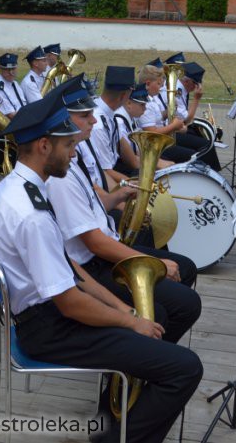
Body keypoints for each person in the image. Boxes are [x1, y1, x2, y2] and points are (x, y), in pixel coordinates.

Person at [0, 95, 203, 443]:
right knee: (184, 368)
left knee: (158, 326)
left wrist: (123, 308)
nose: (74, 152)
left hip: (50, 315)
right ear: (43, 146)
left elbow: (69, 266)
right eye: (68, 145)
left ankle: (118, 422)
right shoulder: (31, 214)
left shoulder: (16, 188)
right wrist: (132, 322)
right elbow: (69, 302)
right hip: (50, 327)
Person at [45, 77, 200, 339]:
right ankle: (149, 359)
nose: (93, 120)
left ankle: (153, 354)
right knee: (182, 305)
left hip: (101, 251)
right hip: (94, 263)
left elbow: (93, 206)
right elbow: (93, 242)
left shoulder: (75, 155)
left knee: (185, 268)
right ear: (64, 121)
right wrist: (154, 262)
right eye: (85, 116)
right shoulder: (62, 172)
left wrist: (119, 196)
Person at [139, 61, 221, 170]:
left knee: (202, 144)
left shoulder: (152, 99)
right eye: (159, 84)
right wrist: (174, 126)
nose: (161, 87)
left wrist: (169, 112)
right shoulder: (146, 104)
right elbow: (152, 133)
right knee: (194, 156)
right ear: (148, 84)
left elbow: (158, 118)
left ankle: (213, 175)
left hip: (165, 136)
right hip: (156, 144)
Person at [0, 53, 25, 118]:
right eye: (7, 70)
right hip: (8, 125)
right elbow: (10, 115)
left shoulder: (14, 83)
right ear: (0, 69)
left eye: (13, 69)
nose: (11, 73)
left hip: (20, 121)